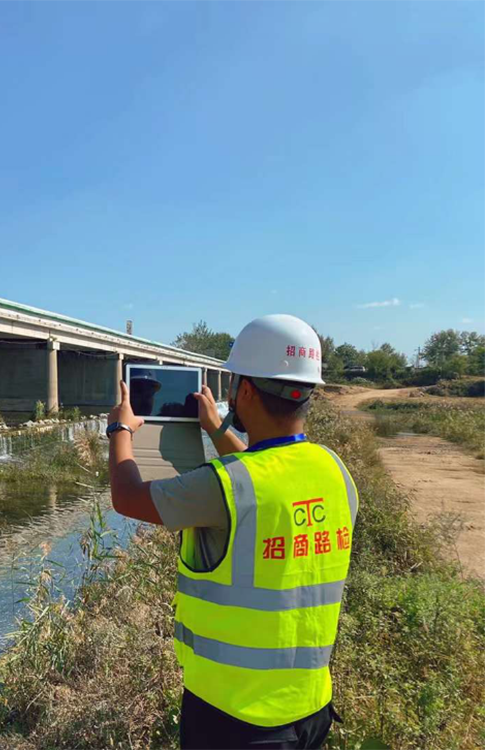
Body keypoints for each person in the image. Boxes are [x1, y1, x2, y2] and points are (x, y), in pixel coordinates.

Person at [104, 314, 357, 750]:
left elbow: (127, 497)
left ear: (245, 391)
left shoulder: (222, 486)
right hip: (311, 708)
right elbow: (264, 469)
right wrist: (215, 427)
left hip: (234, 717)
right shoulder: (334, 471)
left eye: (234, 382)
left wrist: (120, 429)